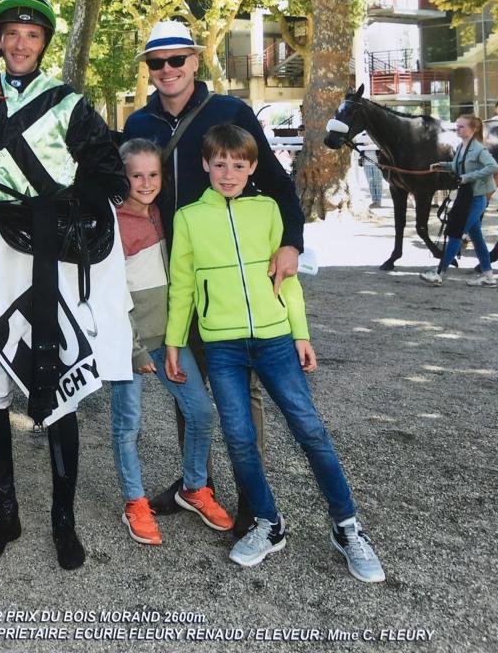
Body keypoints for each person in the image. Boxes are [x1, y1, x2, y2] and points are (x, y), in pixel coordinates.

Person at [164, 123, 386, 584]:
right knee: (239, 439)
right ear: (205, 164)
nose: (228, 173)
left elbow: (288, 278)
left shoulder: (268, 210)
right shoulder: (187, 218)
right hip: (221, 345)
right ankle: (268, 522)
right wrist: (174, 341)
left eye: (238, 165)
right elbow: (181, 285)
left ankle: (347, 526)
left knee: (310, 430)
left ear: (252, 167)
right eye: (219, 164)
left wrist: (300, 333)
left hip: (275, 339)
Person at [0, 0, 128, 570]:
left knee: (58, 384)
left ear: (44, 44)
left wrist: (56, 208)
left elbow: (110, 176)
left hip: (48, 257)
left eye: (31, 35)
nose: (20, 43)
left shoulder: (69, 104)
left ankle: (64, 521)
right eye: (11, 33)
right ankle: (6, 515)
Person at [122, 19, 304, 532]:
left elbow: (278, 183)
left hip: (230, 280)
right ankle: (196, 485)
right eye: (157, 62)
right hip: (173, 278)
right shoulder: (139, 124)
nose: (167, 69)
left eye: (176, 59)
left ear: (195, 61)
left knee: (243, 392)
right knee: (188, 389)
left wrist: (291, 243)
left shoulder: (230, 113)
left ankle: (254, 500)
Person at [109, 138, 232, 546]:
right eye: (137, 176)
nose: (146, 183)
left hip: (169, 341)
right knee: (128, 425)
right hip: (130, 345)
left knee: (201, 412)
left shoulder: (162, 213)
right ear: (123, 177)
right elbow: (110, 295)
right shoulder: (113, 224)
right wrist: (135, 349)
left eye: (154, 174)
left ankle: (194, 487)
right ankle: (134, 502)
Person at [419, 114, 497, 287]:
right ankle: (488, 277)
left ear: (473, 129)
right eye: (457, 126)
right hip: (466, 197)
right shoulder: (462, 147)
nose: (458, 129)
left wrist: (468, 177)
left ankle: (439, 274)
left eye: (462, 126)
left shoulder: (479, 149)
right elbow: (457, 166)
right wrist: (441, 166)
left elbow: (493, 167)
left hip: (475, 199)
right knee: (477, 238)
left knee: (455, 233)